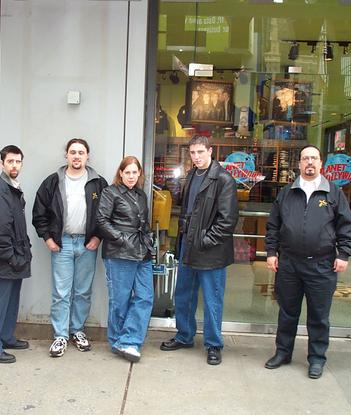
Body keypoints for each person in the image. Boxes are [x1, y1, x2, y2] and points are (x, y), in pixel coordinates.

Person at [264, 145, 351, 379]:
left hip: (322, 265)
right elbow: (273, 225)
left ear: (321, 163)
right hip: (289, 264)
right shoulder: (287, 193)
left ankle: (316, 359)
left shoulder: (333, 193)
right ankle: (283, 353)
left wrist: (344, 254)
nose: (310, 162)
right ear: (299, 164)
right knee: (287, 312)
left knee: (319, 316)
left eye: (314, 158)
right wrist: (271, 252)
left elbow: (347, 227)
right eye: (305, 158)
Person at [159, 135, 239, 366]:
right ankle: (184, 336)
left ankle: (213, 345)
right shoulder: (192, 175)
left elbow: (227, 221)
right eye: (193, 153)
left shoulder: (224, 179)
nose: (196, 157)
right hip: (188, 245)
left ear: (210, 151)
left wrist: (204, 241)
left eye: (200, 152)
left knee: (212, 299)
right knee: (183, 294)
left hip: (210, 249)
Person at [32, 139, 108, 357]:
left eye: (81, 152)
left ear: (87, 156)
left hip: (87, 244)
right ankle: (60, 336)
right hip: (62, 243)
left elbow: (106, 213)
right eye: (73, 152)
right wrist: (48, 238)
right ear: (66, 155)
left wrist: (98, 237)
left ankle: (77, 331)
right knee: (61, 293)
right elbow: (39, 212)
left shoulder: (98, 183)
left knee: (83, 292)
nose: (76, 156)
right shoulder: (53, 181)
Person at [96, 156, 154, 363]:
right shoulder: (110, 192)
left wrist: (149, 241)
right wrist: (122, 239)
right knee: (120, 300)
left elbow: (144, 223)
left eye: (134, 172)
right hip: (119, 252)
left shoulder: (141, 194)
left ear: (139, 174)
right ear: (120, 173)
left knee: (145, 297)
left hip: (142, 252)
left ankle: (130, 340)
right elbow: (101, 220)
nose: (131, 176)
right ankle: (118, 341)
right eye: (127, 172)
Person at [0, 145, 32, 364]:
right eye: (10, 161)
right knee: (0, 303)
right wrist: (10, 257)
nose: (14, 165)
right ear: (2, 163)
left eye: (18, 161)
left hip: (16, 256)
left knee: (12, 300)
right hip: (5, 258)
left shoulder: (12, 187)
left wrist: (23, 253)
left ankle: (6, 337)